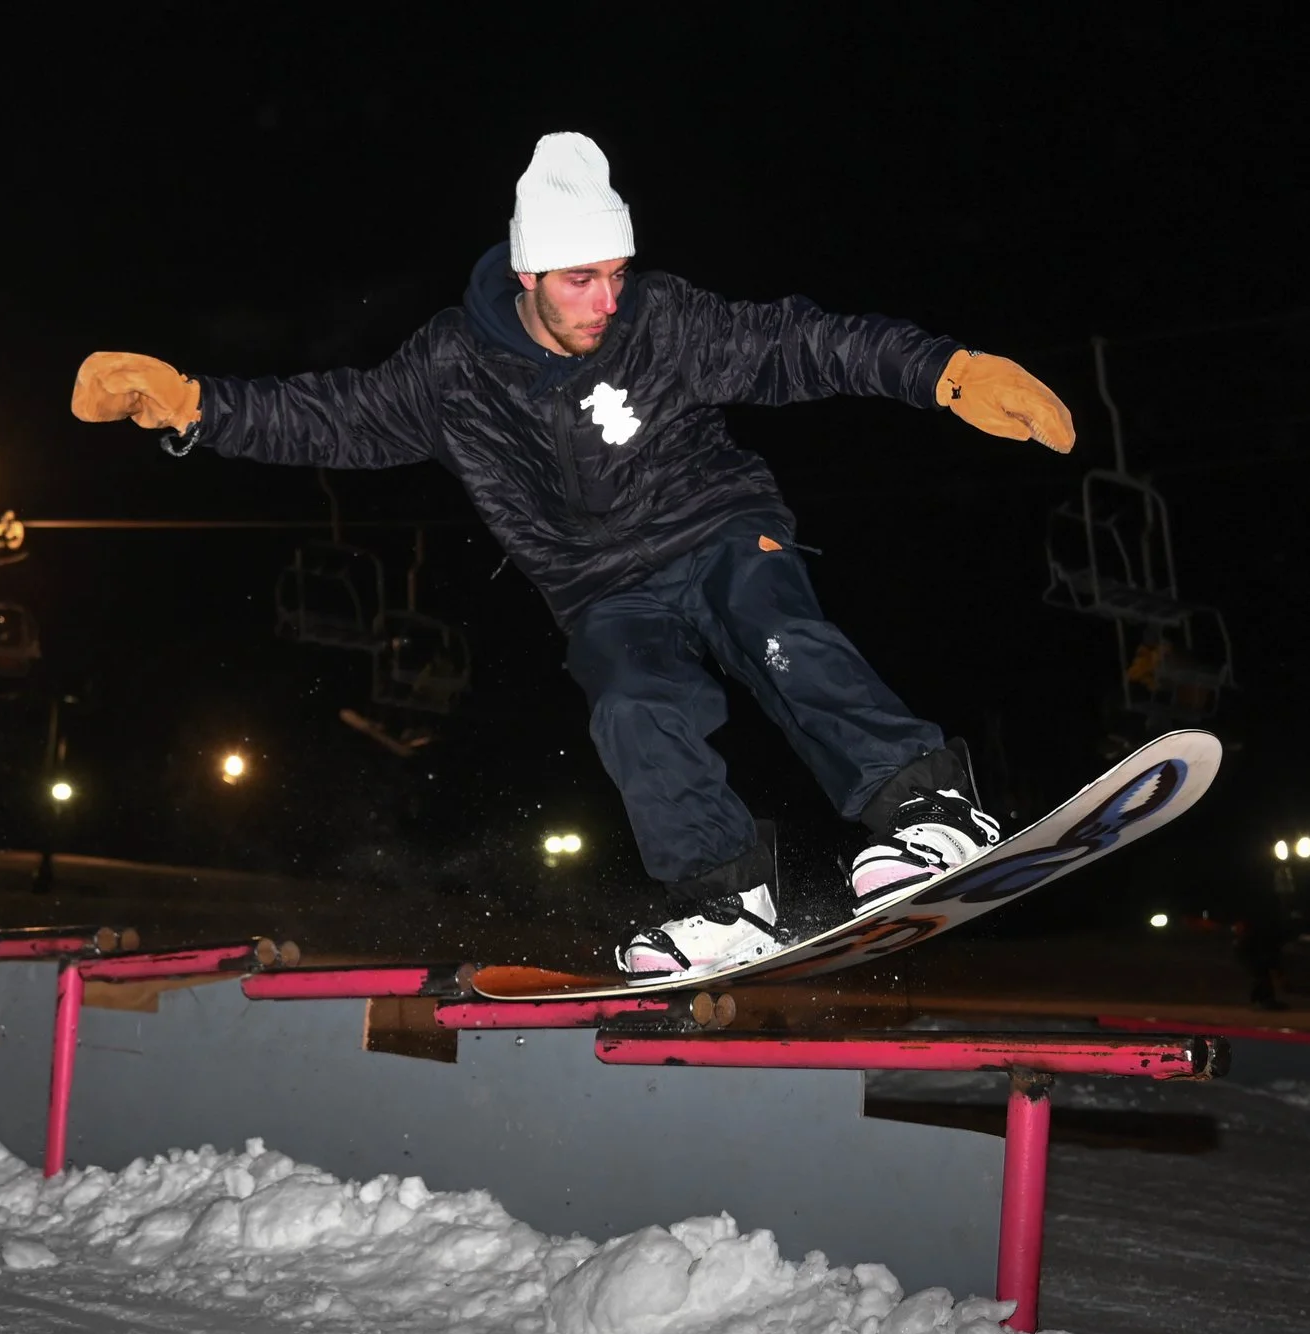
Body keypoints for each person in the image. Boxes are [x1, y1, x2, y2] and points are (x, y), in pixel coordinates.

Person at [71, 133, 1073, 975]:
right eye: (582, 279)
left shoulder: (667, 323)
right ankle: (727, 901)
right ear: (526, 275)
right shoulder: (452, 368)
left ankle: (931, 806)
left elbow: (801, 344)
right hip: (598, 586)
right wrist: (197, 407)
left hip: (716, 525)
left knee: (775, 629)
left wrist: (943, 370)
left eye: (616, 273)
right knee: (633, 705)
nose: (606, 299)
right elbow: (335, 417)